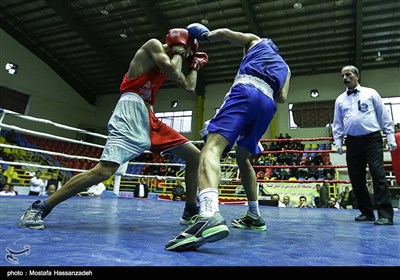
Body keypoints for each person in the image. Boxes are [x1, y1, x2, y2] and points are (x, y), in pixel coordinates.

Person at [19, 28, 208, 230]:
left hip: (149, 117)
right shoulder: (153, 46)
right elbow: (173, 71)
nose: (187, 57)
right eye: (188, 53)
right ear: (179, 43)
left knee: (194, 156)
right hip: (129, 110)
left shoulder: (171, 61)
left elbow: (188, 86)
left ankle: (190, 210)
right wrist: (179, 51)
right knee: (104, 171)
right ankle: (41, 206)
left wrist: (195, 67)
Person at [166, 23, 291, 251]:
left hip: (247, 90)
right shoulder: (285, 67)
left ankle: (209, 213)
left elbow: (224, 33)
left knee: (211, 147)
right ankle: (254, 215)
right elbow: (282, 97)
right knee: (243, 157)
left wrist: (203, 35)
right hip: (268, 104)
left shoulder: (255, 41)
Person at [332, 65, 397, 225]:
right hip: (352, 141)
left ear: (357, 76)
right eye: (342, 76)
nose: (345, 78)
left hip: (372, 139)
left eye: (348, 75)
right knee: (356, 178)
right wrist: (338, 142)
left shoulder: (371, 93)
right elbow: (337, 123)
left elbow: (384, 116)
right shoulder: (340, 99)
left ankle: (385, 215)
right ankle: (367, 212)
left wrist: (390, 137)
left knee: (378, 174)